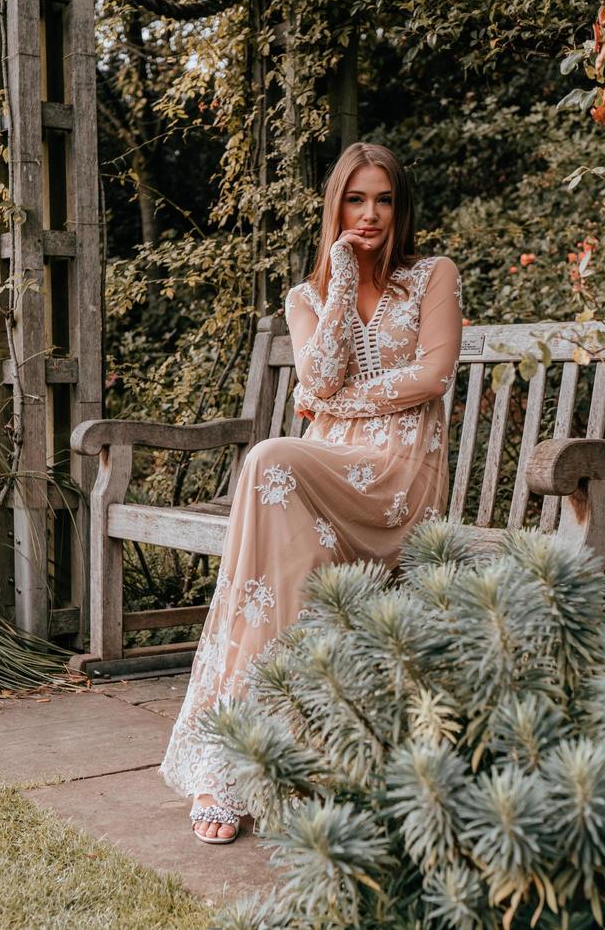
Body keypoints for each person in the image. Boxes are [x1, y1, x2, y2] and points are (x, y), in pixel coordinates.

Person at [156, 141, 464, 845]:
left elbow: (432, 377)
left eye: (383, 199)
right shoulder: (307, 296)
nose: (371, 214)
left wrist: (339, 405)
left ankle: (233, 760)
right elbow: (319, 379)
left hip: (396, 474)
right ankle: (258, 765)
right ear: (336, 208)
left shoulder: (432, 276)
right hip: (322, 470)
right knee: (277, 556)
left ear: (401, 206)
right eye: (356, 200)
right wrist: (344, 272)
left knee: (268, 460)